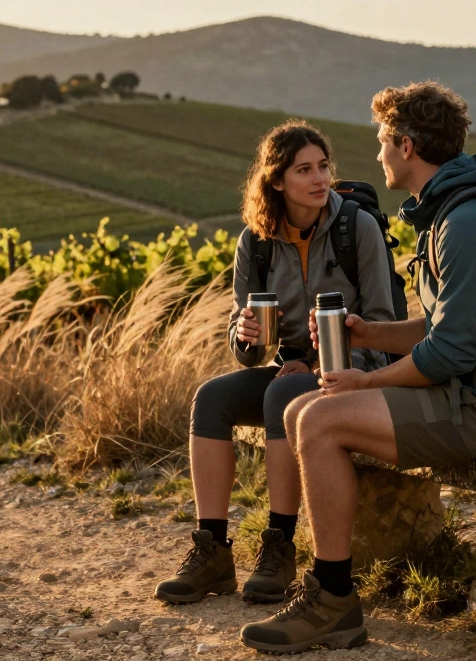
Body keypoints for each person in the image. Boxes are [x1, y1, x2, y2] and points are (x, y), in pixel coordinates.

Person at [238, 82, 476, 653]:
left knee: (319, 420)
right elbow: (443, 328)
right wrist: (368, 332)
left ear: (407, 146)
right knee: (306, 408)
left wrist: (365, 378)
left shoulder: (469, 224)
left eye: (383, 140)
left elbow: (448, 355)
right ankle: (329, 590)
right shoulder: (453, 210)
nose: (377, 152)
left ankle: (333, 599)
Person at [154, 121, 396, 606]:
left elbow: (387, 329)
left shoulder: (356, 229)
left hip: (357, 375)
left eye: (323, 166)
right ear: (277, 181)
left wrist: (322, 366)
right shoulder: (257, 243)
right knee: (212, 399)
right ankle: (212, 550)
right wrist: (243, 336)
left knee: (282, 393)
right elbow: (249, 350)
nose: (319, 178)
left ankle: (280, 545)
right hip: (290, 373)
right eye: (303, 170)